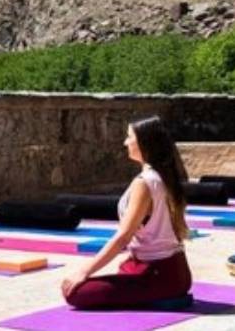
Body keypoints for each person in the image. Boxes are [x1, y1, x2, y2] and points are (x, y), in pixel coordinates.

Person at [60, 115, 193, 309]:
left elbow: (123, 237)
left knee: (75, 293)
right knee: (122, 271)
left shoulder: (145, 183)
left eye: (129, 137)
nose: (125, 142)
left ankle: (154, 294)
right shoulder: (163, 176)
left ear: (144, 143)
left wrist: (84, 271)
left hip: (160, 274)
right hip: (174, 271)